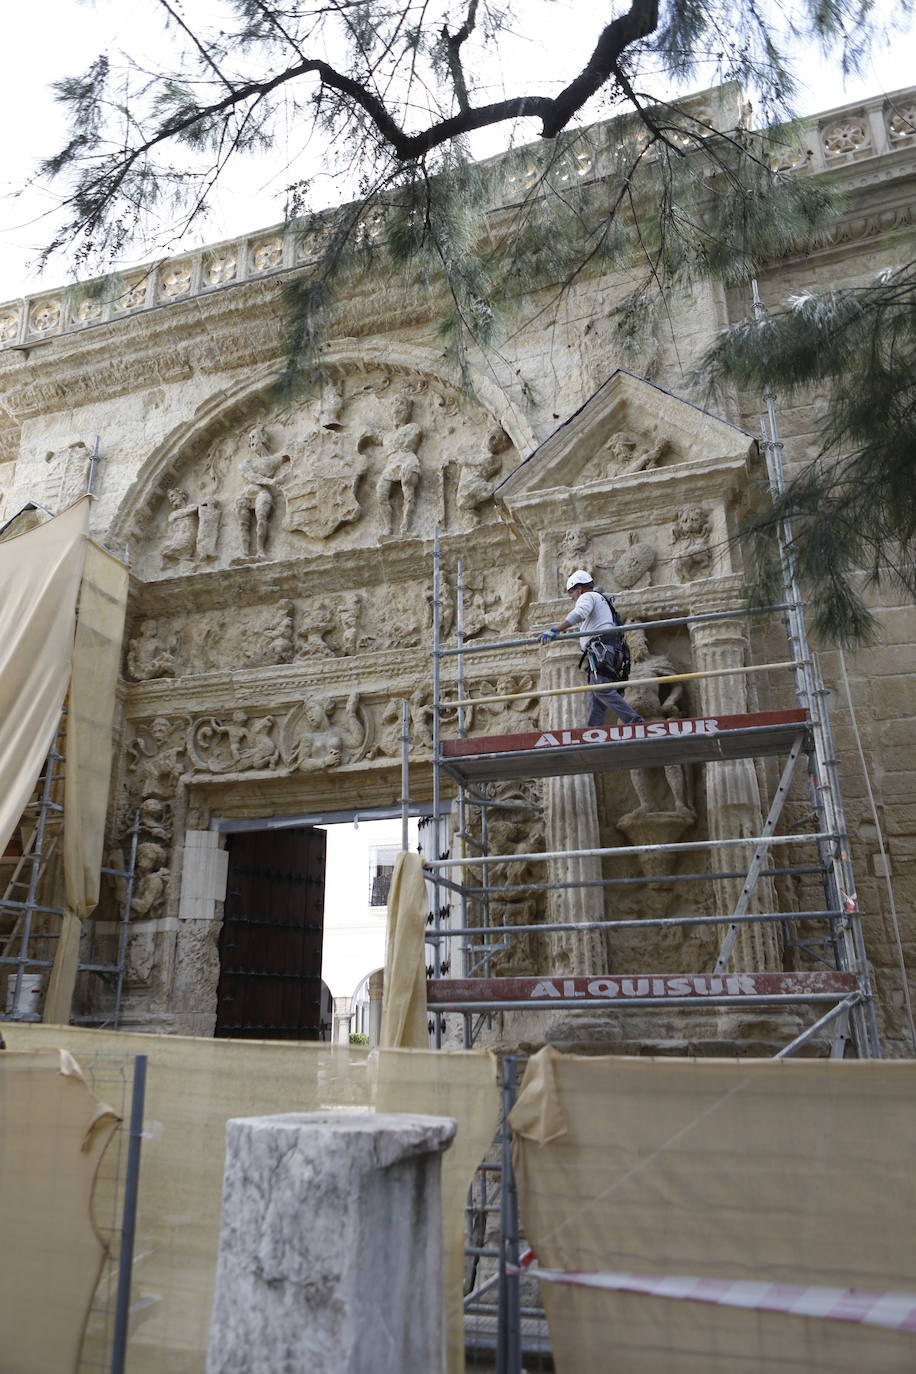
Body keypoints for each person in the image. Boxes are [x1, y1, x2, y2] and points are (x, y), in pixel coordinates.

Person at [539, 570, 644, 728]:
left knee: (600, 689)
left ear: (579, 589)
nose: (571, 597)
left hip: (602, 649)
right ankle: (594, 729)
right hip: (608, 649)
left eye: (571, 593)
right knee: (594, 694)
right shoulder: (601, 600)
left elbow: (579, 613)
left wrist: (556, 629)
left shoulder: (587, 597)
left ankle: (634, 721)